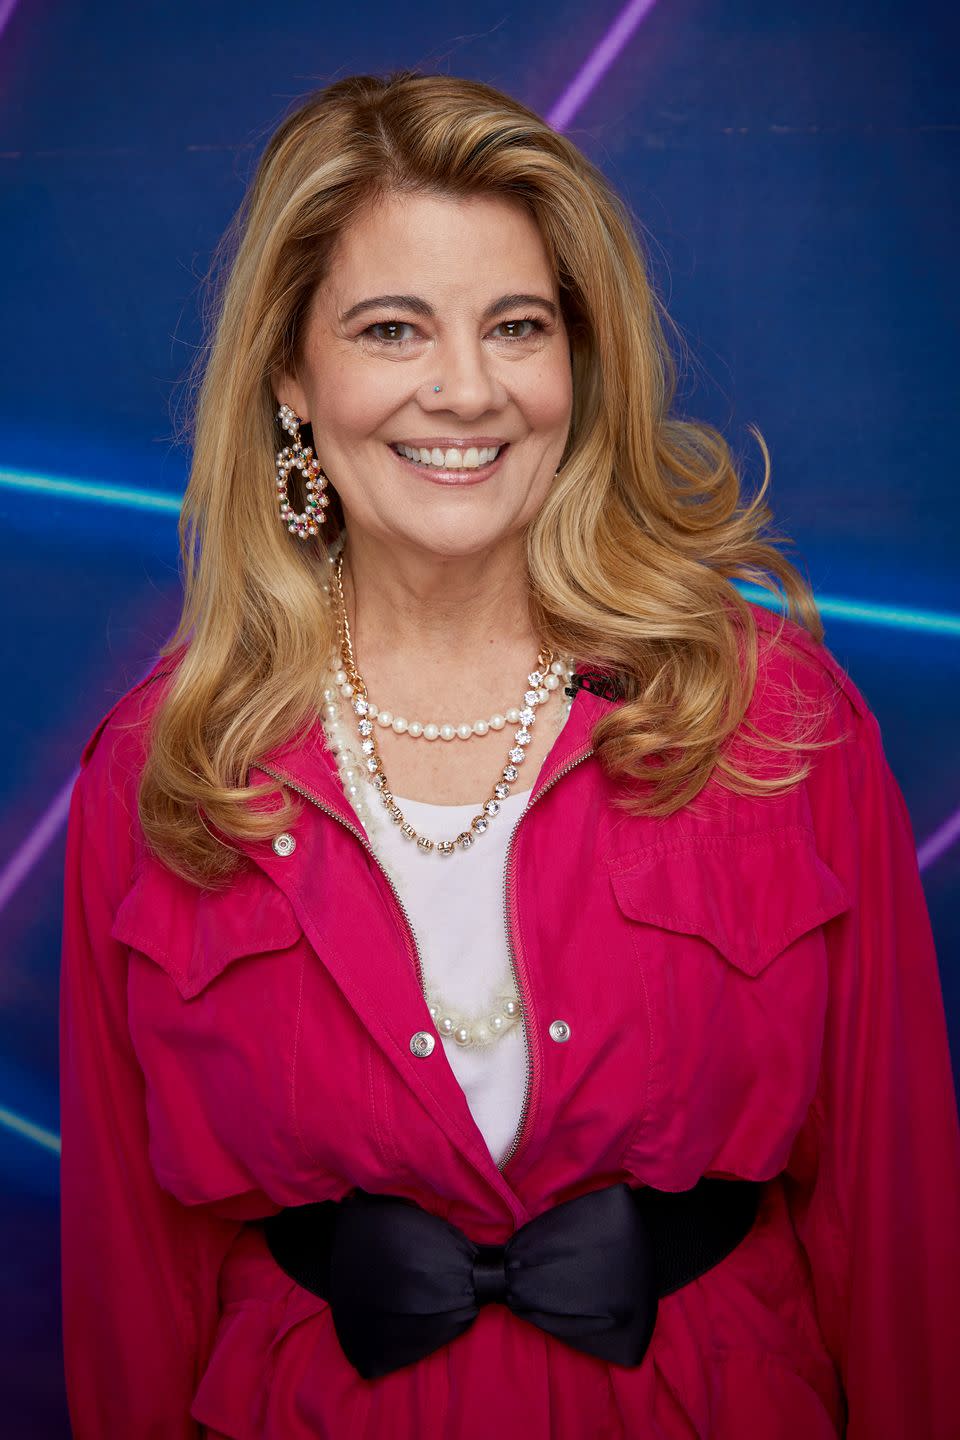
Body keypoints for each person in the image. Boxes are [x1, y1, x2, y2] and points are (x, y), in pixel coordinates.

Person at [59, 70, 960, 1440]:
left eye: (517, 326)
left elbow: (898, 1226)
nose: (466, 389)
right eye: (392, 328)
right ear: (292, 377)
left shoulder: (782, 723)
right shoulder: (161, 771)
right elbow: (132, 1273)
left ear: (580, 366)